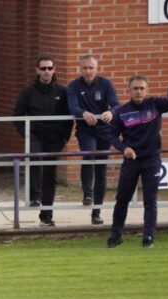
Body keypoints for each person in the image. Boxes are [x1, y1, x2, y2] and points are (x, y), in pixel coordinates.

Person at [106, 77, 168, 249]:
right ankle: (115, 236)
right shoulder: (122, 112)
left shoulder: (155, 104)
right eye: (135, 88)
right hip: (131, 161)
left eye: (142, 88)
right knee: (122, 199)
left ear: (146, 90)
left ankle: (148, 237)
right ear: (129, 90)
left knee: (150, 200)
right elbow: (112, 136)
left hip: (152, 160)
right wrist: (124, 148)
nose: (138, 91)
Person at [12, 56, 73, 227]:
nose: (46, 72)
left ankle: (46, 215)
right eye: (43, 68)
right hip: (35, 135)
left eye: (49, 68)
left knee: (50, 175)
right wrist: (26, 134)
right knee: (34, 157)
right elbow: (17, 115)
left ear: (54, 70)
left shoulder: (62, 91)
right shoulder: (28, 92)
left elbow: (69, 118)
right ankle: (35, 196)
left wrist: (64, 138)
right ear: (37, 70)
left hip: (55, 137)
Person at [66, 55, 119, 225]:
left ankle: (97, 211)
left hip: (105, 130)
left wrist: (111, 112)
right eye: (84, 68)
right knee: (89, 155)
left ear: (96, 69)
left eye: (91, 68)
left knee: (101, 168)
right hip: (85, 129)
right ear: (80, 69)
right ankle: (87, 193)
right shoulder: (74, 85)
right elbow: (72, 106)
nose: (87, 71)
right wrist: (83, 113)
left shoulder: (106, 84)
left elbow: (116, 104)